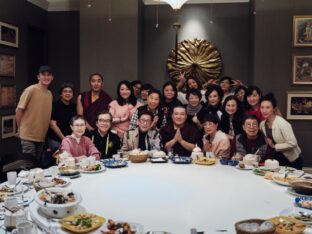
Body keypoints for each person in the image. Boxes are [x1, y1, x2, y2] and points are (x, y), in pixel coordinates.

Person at [16, 65, 54, 164]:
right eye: (43, 75)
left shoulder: (49, 94)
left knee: (37, 166)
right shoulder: (31, 90)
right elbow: (19, 110)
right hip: (28, 136)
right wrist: (19, 128)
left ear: (52, 77)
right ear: (38, 77)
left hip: (41, 137)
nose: (46, 77)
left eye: (49, 75)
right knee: (29, 165)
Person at [260, 93, 302, 169]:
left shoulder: (282, 123)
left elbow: (293, 143)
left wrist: (274, 146)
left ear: (274, 109)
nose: (264, 110)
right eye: (262, 107)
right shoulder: (262, 125)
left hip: (292, 160)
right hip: (277, 160)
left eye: (267, 107)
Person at [47, 83, 76, 151]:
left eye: (70, 91)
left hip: (70, 139)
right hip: (55, 139)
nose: (68, 93)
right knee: (61, 158)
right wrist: (64, 139)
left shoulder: (74, 107)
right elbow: (53, 125)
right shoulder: (55, 105)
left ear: (73, 94)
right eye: (65, 91)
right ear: (61, 94)